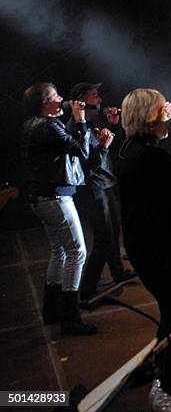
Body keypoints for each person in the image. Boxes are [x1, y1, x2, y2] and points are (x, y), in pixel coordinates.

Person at [117, 88, 171, 412]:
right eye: (161, 111)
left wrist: (161, 115)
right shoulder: (150, 157)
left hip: (146, 247)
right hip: (159, 251)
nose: (168, 115)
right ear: (149, 118)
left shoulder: (131, 149)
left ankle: (160, 375)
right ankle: (165, 391)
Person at [20, 82, 97, 335]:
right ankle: (71, 318)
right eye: (56, 97)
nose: (62, 99)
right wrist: (80, 119)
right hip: (55, 198)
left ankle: (51, 309)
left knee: (59, 251)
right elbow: (82, 151)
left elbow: (65, 145)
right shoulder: (48, 126)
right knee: (78, 252)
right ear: (46, 103)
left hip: (39, 198)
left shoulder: (32, 125)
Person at [67, 82, 137, 298]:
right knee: (103, 238)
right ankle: (87, 287)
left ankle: (117, 273)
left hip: (105, 185)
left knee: (112, 232)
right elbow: (85, 165)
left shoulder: (93, 122)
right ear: (80, 101)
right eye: (94, 96)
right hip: (93, 189)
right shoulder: (76, 127)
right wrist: (104, 145)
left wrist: (114, 127)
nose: (99, 100)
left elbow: (109, 151)